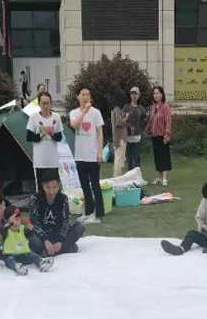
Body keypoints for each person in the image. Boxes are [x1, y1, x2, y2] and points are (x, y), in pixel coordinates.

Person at [27, 169, 86, 257]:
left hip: (58, 233)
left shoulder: (63, 198)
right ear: (43, 186)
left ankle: (50, 251)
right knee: (32, 238)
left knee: (80, 227)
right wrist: (45, 240)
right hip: (42, 234)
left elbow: (66, 222)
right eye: (48, 188)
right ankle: (65, 248)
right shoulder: (35, 199)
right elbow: (35, 223)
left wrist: (60, 241)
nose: (51, 191)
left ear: (59, 186)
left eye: (54, 187)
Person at [69, 85, 105, 224]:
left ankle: (98, 213)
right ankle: (89, 211)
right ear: (78, 97)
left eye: (88, 94)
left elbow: (100, 133)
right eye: (83, 94)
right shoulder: (74, 113)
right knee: (84, 185)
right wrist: (83, 111)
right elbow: (74, 125)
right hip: (80, 156)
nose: (85, 97)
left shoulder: (96, 113)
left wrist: (100, 151)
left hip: (93, 156)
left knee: (95, 184)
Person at [0, 206, 54, 275]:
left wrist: (30, 229)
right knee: (9, 260)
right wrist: (10, 224)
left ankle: (41, 263)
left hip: (23, 253)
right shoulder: (6, 229)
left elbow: (29, 235)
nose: (16, 222)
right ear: (8, 221)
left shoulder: (22, 228)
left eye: (18, 219)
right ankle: (17, 267)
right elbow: (2, 231)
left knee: (33, 255)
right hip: (10, 254)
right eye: (14, 220)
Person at [25, 91, 64, 187]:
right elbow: (29, 137)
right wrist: (42, 134)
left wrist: (51, 134)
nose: (46, 106)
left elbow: (59, 137)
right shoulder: (34, 117)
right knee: (42, 188)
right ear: (39, 104)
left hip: (53, 162)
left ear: (51, 103)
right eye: (43, 103)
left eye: (48, 103)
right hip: (40, 162)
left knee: (53, 188)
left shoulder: (56, 117)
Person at [146, 85, 172, 186]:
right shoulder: (153, 107)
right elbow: (151, 121)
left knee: (164, 157)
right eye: (154, 93)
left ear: (162, 94)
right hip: (154, 135)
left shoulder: (166, 107)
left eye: (157, 93)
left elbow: (168, 121)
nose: (155, 95)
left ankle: (165, 178)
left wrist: (167, 134)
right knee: (157, 158)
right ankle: (160, 177)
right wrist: (147, 131)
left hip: (162, 136)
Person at [123, 86, 147, 171]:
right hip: (128, 136)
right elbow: (122, 121)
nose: (134, 96)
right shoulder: (126, 107)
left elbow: (144, 120)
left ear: (138, 95)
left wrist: (142, 130)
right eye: (132, 94)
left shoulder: (141, 109)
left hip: (137, 136)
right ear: (130, 95)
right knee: (129, 158)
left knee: (137, 157)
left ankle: (137, 175)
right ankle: (130, 175)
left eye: (135, 94)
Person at [110, 88, 130, 177]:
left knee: (119, 158)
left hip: (118, 137)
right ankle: (117, 177)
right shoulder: (117, 109)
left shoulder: (115, 109)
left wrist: (124, 116)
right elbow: (118, 122)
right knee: (119, 159)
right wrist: (126, 117)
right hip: (120, 137)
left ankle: (117, 176)